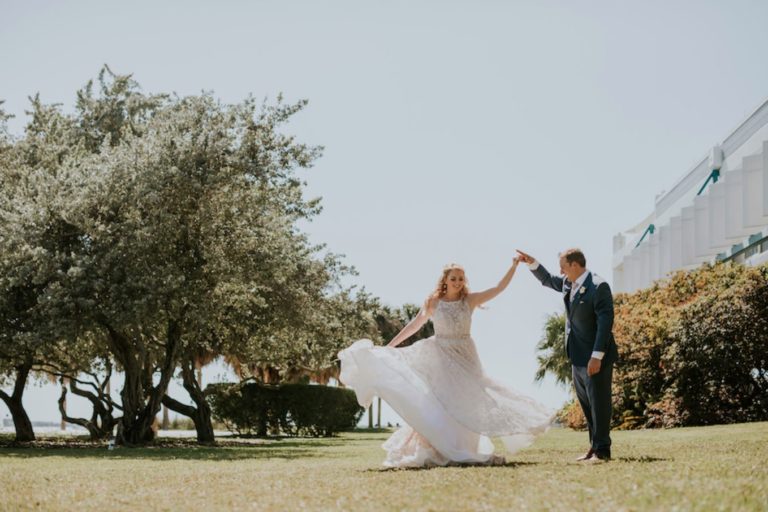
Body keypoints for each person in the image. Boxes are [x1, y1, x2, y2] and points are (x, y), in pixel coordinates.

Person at [338, 259, 552, 468]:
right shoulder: (434, 302)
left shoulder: (470, 300)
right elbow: (415, 325)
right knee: (442, 400)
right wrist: (391, 345)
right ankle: (441, 446)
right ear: (445, 280)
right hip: (441, 355)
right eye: (454, 278)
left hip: (466, 355)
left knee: (470, 399)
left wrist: (513, 266)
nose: (458, 282)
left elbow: (498, 288)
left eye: (461, 278)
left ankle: (465, 446)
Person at [516, 248, 618, 462]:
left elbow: (605, 323)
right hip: (577, 357)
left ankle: (603, 451)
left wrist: (597, 356)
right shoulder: (567, 284)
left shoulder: (598, 286)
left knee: (599, 404)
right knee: (587, 405)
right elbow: (547, 280)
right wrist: (532, 263)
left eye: (563, 266)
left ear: (575, 265)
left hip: (595, 357)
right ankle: (593, 448)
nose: (560, 271)